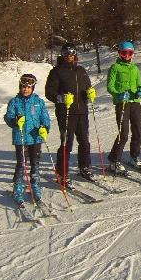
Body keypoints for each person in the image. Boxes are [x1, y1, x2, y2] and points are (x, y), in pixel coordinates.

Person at [45, 42, 96, 186]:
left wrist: (89, 94)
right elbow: (49, 92)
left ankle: (84, 167)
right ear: (62, 54)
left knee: (84, 141)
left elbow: (87, 87)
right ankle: (62, 173)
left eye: (71, 53)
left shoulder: (81, 70)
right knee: (67, 143)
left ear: (75, 55)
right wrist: (61, 98)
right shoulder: (56, 71)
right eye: (66, 53)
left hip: (81, 111)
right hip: (66, 112)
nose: (69, 56)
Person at [4, 73, 51, 208]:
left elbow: (45, 117)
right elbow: (8, 117)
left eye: (29, 87)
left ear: (33, 88)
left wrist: (45, 128)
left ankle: (35, 184)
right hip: (21, 138)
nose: (26, 89)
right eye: (24, 87)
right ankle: (18, 186)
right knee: (21, 163)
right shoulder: (14, 101)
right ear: (20, 87)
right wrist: (14, 121)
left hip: (35, 137)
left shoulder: (38, 102)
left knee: (35, 163)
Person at [106, 41, 141, 172]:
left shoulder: (134, 68)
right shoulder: (115, 67)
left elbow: (138, 84)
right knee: (123, 133)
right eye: (124, 53)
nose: (127, 55)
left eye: (129, 53)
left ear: (132, 54)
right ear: (119, 53)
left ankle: (134, 157)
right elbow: (110, 86)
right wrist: (118, 95)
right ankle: (114, 160)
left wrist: (140, 91)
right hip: (122, 103)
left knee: (138, 130)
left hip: (134, 102)